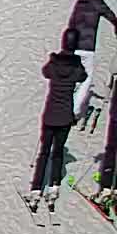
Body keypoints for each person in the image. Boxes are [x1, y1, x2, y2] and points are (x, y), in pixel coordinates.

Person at [30, 31, 87, 207]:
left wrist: (54, 58)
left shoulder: (54, 65)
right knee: (58, 152)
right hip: (65, 117)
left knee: (44, 153)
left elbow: (45, 72)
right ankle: (54, 186)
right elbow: (83, 77)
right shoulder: (76, 68)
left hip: (49, 115)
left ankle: (36, 188)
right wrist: (76, 61)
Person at [68, 0, 115, 119]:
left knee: (71, 77)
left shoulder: (80, 0)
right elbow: (110, 15)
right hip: (87, 47)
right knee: (86, 79)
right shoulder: (97, 1)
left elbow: (71, 22)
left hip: (73, 45)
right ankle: (74, 111)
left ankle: (65, 105)